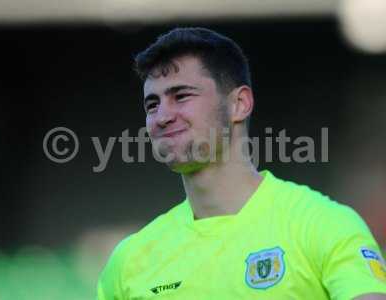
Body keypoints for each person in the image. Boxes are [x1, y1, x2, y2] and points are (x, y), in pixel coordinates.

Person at [97, 27, 386, 299]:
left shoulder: (322, 226)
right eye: (152, 104)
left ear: (239, 104)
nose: (162, 116)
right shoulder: (129, 262)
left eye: (181, 95)